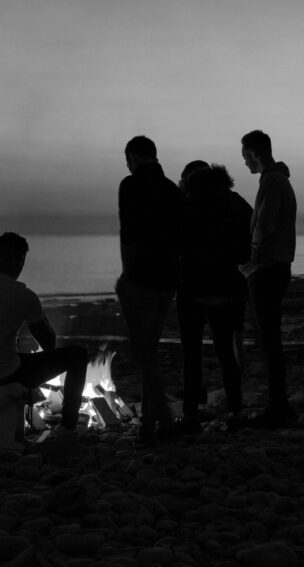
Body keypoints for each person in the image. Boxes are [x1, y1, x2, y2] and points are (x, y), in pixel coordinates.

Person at [0, 232, 88, 438]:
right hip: (5, 375)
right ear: (20, 263)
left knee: (13, 356)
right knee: (78, 356)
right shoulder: (22, 295)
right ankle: (68, 428)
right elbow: (48, 340)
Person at [116, 135, 183, 444]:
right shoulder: (172, 190)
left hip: (141, 278)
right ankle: (148, 422)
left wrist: (127, 276)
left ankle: (163, 420)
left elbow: (127, 234)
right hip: (168, 279)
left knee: (145, 353)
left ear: (133, 156)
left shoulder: (129, 186)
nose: (126, 165)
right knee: (149, 350)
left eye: (127, 159)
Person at [177, 161, 252, 432]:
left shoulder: (185, 204)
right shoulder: (235, 203)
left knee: (191, 355)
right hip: (226, 288)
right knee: (226, 355)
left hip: (192, 287)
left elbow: (174, 243)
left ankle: (190, 415)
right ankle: (235, 411)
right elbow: (249, 244)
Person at [240, 130, 298, 429]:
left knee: (269, 340)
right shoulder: (277, 180)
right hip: (274, 266)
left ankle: (278, 407)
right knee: (269, 339)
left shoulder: (273, 182)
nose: (244, 162)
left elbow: (265, 226)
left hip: (267, 268)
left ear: (253, 153)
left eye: (244, 156)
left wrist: (251, 259)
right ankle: (279, 404)